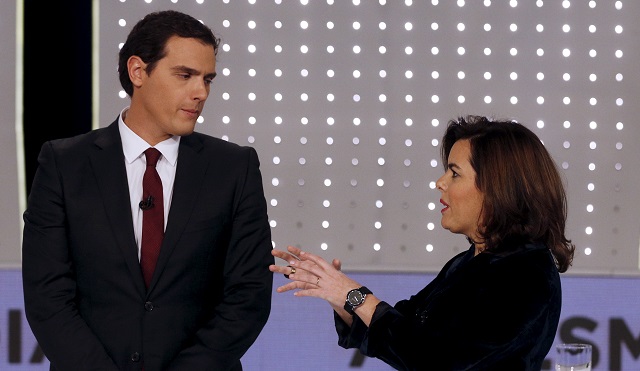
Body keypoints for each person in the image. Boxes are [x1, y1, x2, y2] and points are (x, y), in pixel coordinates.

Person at [22, 10, 273, 371]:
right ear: (138, 71)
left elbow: (248, 296)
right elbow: (48, 297)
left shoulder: (234, 168)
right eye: (185, 75)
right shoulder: (64, 164)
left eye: (207, 79)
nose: (200, 92)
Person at [270, 115, 575, 370]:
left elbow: (435, 358)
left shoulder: (524, 274)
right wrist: (337, 294)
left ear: (497, 187)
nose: (440, 183)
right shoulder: (469, 261)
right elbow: (403, 328)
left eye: (454, 174)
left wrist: (353, 294)